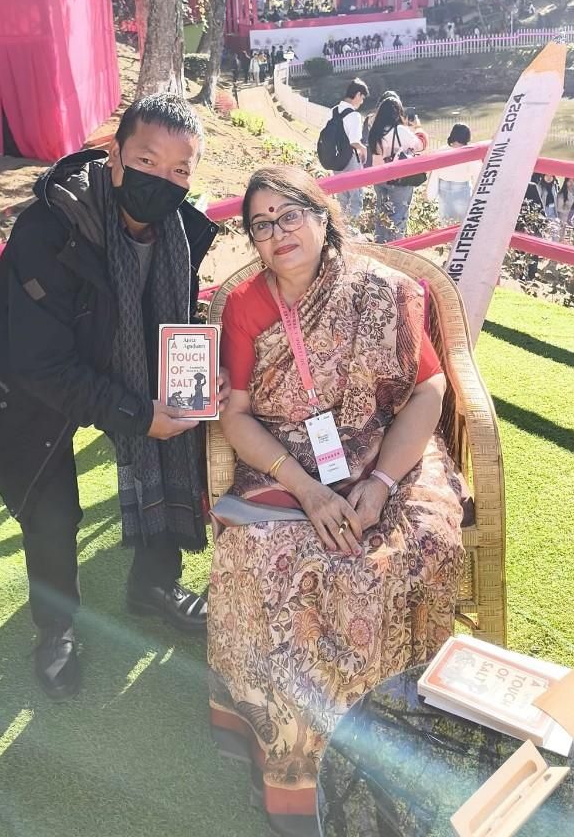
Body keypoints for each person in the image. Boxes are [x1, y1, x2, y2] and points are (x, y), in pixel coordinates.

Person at [208, 167, 466, 835]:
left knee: (422, 542)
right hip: (289, 460)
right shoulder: (246, 306)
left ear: (324, 216)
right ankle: (299, 767)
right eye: (261, 224)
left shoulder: (385, 290)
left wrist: (380, 484)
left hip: (389, 451)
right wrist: (307, 488)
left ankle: (403, 732)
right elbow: (237, 414)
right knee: (271, 558)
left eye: (289, 214)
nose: (277, 232)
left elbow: (429, 391)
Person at [0, 94, 224, 700]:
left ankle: (153, 583)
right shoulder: (51, 227)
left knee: (174, 441)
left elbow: (175, 318)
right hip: (20, 386)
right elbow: (41, 366)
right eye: (147, 161)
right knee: (53, 511)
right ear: (115, 157)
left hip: (117, 361)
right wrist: (136, 414)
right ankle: (55, 628)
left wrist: (202, 374)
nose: (163, 179)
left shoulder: (180, 230)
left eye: (180, 169)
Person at [367, 93, 423, 243]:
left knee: (381, 213)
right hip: (398, 179)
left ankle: (380, 244)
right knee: (399, 214)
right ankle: (396, 246)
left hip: (379, 178)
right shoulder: (400, 130)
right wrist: (417, 128)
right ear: (397, 113)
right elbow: (419, 145)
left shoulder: (375, 132)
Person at [332, 78, 370, 222]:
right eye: (362, 98)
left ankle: (342, 226)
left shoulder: (333, 111)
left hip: (335, 160)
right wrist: (363, 149)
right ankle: (352, 226)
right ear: (358, 94)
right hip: (349, 160)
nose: (362, 102)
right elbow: (354, 141)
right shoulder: (354, 115)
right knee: (355, 197)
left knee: (342, 197)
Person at [426, 124, 481, 225]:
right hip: (462, 189)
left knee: (445, 222)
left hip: (443, 188)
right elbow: (478, 175)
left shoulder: (441, 150)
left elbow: (434, 172)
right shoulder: (469, 153)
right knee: (461, 224)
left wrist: (430, 193)